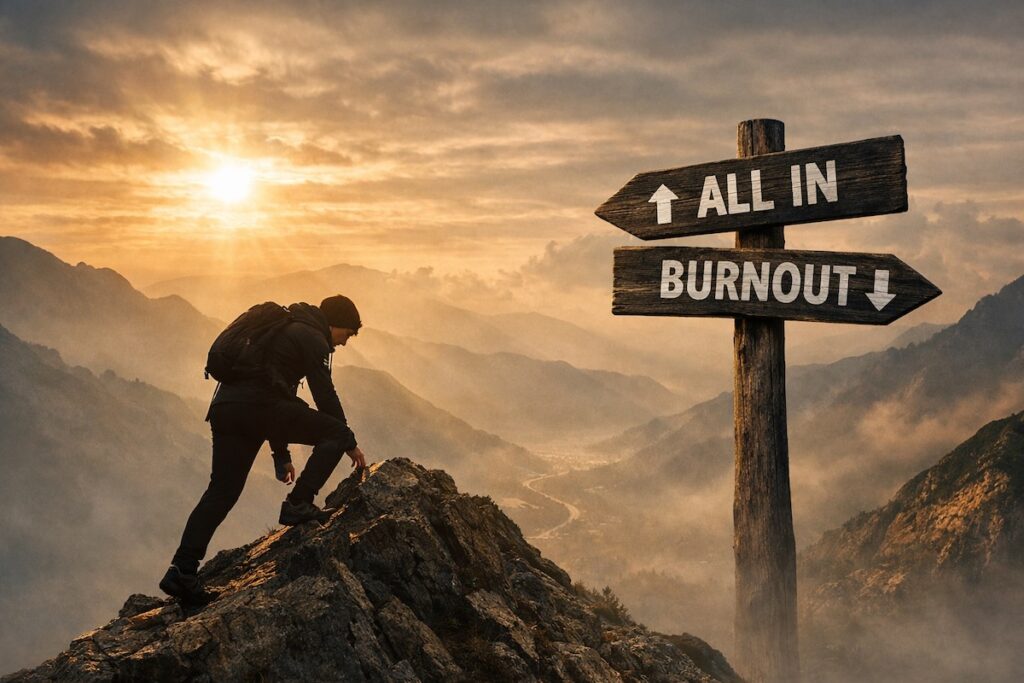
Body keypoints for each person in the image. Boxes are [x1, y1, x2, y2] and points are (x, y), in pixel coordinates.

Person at [159, 294, 368, 606]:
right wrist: (348, 440)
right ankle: (299, 502)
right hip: (258, 409)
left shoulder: (288, 327)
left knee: (221, 492)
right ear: (336, 324)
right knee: (335, 433)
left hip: (227, 408)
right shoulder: (313, 338)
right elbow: (323, 395)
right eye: (347, 335)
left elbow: (274, 388)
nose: (344, 344)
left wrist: (280, 455)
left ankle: (182, 571)